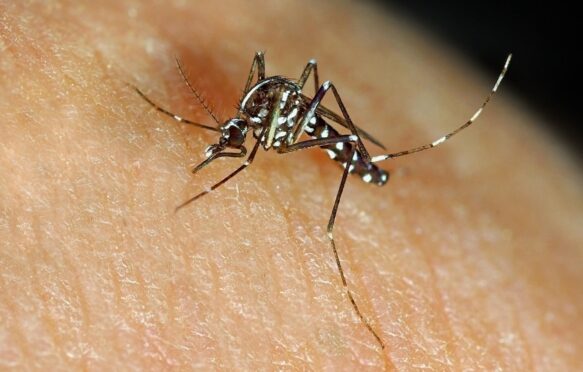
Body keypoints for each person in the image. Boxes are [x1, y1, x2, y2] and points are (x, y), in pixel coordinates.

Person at [1, 0, 581, 369]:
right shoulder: (245, 114)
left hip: (318, 130)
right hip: (282, 112)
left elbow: (280, 116)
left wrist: (339, 140)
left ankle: (352, 190)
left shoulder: (263, 129)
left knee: (313, 98)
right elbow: (251, 111)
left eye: (231, 133)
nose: (229, 138)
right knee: (288, 91)